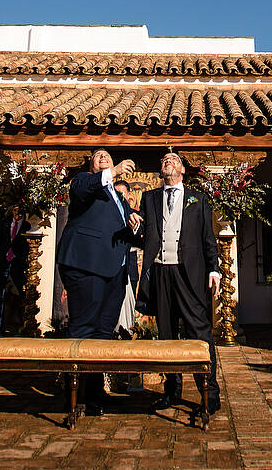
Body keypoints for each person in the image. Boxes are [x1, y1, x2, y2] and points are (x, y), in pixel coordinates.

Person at [55, 149, 141, 414]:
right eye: (98, 155)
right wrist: (112, 171)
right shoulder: (82, 182)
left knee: (103, 333)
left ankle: (94, 394)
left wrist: (134, 225)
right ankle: (75, 396)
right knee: (84, 328)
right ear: (91, 164)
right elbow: (87, 188)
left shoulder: (118, 197)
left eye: (107, 155)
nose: (103, 157)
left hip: (114, 271)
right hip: (85, 264)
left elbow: (120, 233)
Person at [140, 152, 221, 414]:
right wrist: (133, 227)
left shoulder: (198, 199)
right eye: (164, 159)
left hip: (190, 274)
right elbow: (143, 235)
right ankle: (171, 391)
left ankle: (209, 394)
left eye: (174, 159)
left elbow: (208, 238)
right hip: (161, 271)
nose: (168, 161)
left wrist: (214, 270)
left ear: (183, 170)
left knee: (198, 331)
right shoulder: (149, 198)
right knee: (166, 335)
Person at [0, 210, 29, 335]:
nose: (17, 214)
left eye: (20, 210)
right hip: (2, 261)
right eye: (15, 211)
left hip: (18, 263)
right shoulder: (5, 223)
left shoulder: (27, 225)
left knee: (23, 293)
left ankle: (24, 325)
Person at [114, 180, 141, 338]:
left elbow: (140, 240)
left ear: (129, 195)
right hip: (108, 270)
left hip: (127, 272)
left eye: (122, 194)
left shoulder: (133, 215)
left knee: (126, 317)